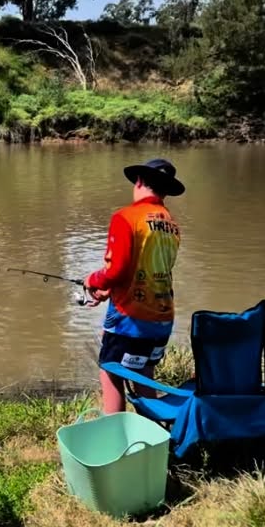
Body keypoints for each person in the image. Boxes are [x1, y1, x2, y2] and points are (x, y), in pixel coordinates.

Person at [84, 158, 184, 414]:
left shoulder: (126, 217)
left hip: (131, 318)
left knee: (110, 373)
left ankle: (114, 433)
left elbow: (116, 270)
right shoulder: (171, 223)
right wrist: (110, 290)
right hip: (163, 315)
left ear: (139, 182)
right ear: (165, 191)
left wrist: (93, 281)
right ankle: (153, 429)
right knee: (144, 374)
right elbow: (147, 269)